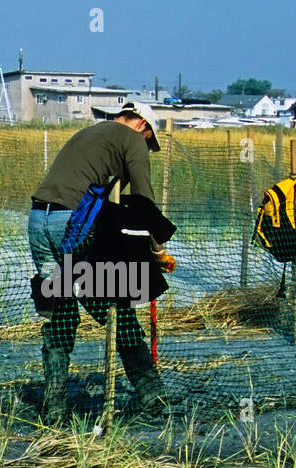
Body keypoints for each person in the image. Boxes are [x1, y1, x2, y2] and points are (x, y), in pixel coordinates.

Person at [29, 101, 172, 422]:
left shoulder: (91, 133)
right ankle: (154, 397)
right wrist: (157, 251)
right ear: (141, 126)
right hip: (71, 226)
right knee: (117, 310)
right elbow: (144, 203)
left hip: (38, 221)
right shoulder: (131, 139)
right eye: (149, 140)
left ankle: (54, 407)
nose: (146, 147)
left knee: (61, 314)